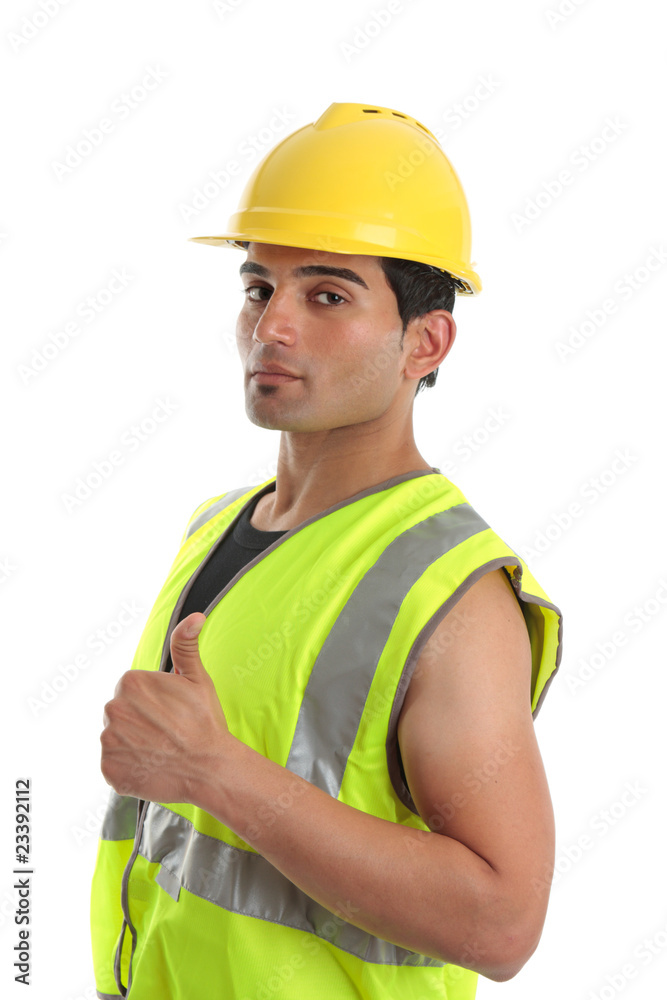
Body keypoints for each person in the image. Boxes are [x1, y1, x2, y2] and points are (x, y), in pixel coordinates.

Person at [91, 102, 563, 1000]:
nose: (272, 326)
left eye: (327, 296)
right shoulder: (215, 526)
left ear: (424, 341)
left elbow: (502, 925)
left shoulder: (450, 591)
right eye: (258, 288)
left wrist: (216, 772)